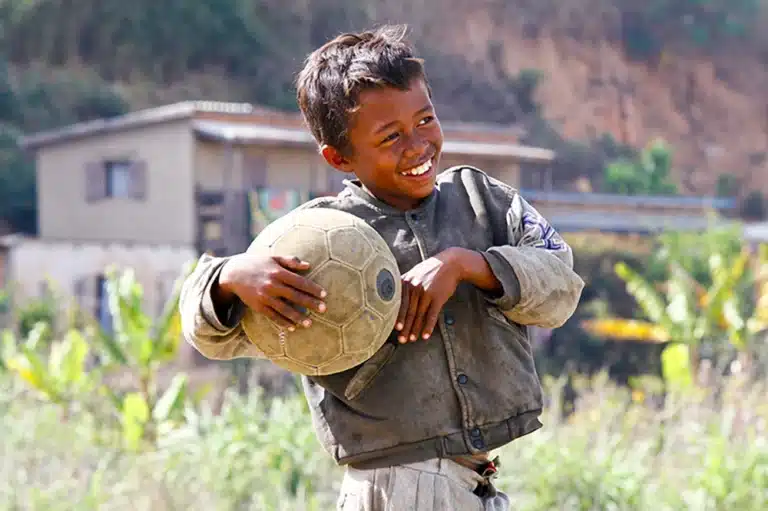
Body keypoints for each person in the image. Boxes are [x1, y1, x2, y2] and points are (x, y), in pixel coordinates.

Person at [179, 24, 585, 511]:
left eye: (425, 120)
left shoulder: (486, 201)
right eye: (390, 136)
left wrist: (469, 265)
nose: (417, 146)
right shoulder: (319, 240)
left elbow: (562, 284)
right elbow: (212, 333)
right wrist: (228, 279)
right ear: (339, 156)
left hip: (472, 483)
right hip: (401, 487)